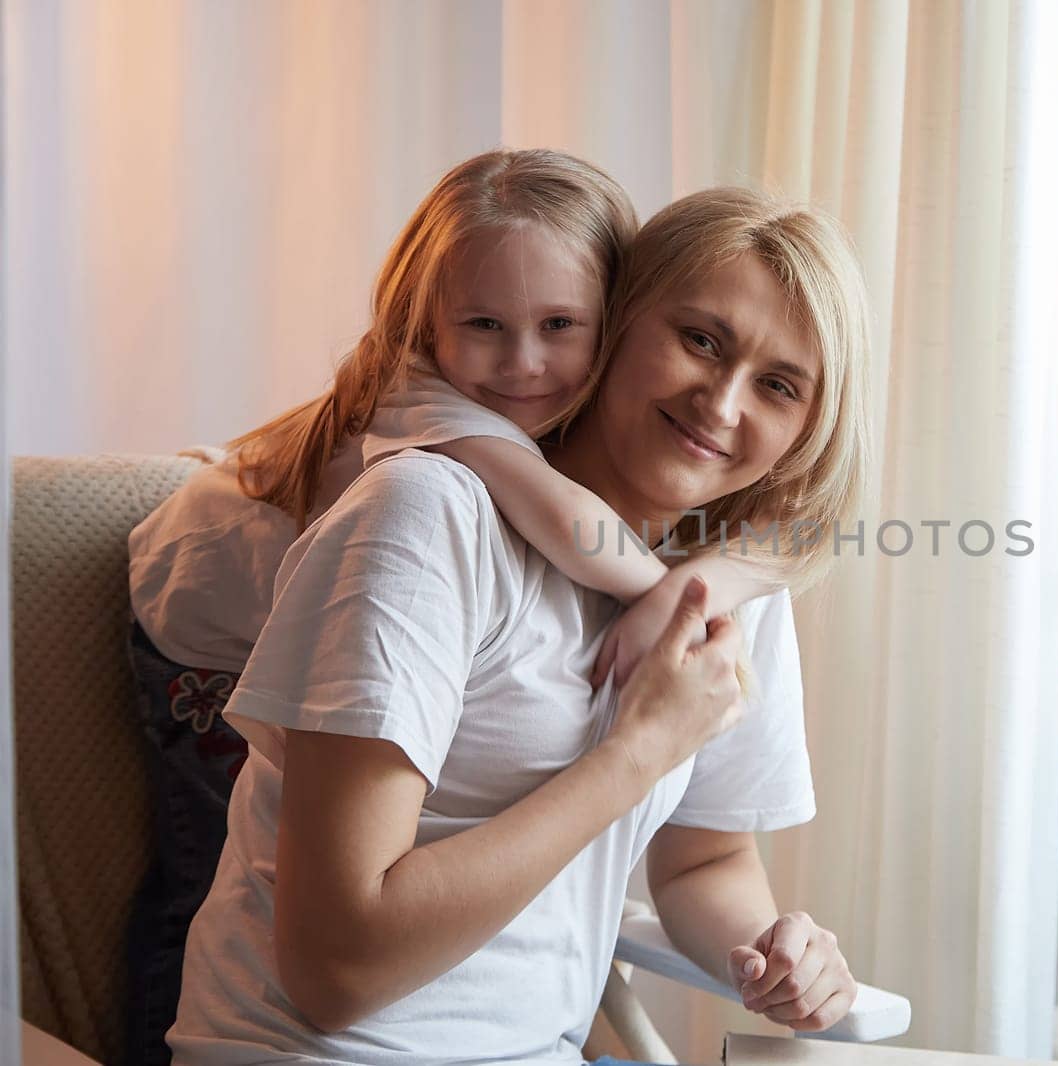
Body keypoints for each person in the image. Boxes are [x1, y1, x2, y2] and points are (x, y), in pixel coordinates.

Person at [142, 161, 872, 1063]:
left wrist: (778, 953)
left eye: (779, 385)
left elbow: (703, 861)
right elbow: (338, 971)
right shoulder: (428, 513)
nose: (719, 403)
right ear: (615, 321)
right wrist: (637, 751)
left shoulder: (730, 586)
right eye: (701, 340)